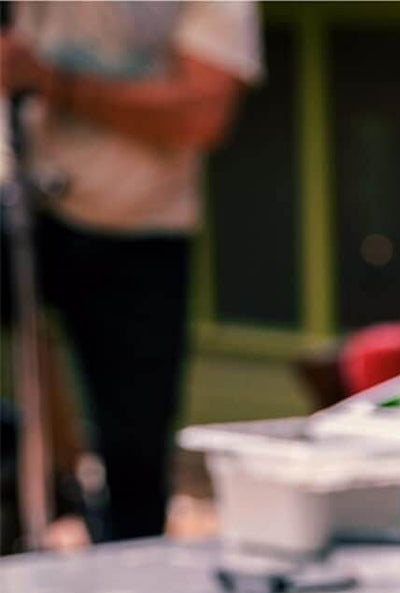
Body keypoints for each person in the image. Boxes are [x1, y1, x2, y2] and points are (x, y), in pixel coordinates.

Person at [0, 2, 262, 542]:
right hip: (24, 204)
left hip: (138, 227)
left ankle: (127, 589)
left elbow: (200, 114)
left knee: (135, 460)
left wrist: (50, 81)